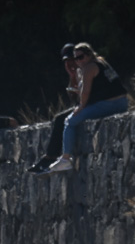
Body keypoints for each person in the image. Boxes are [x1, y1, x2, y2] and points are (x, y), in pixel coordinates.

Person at [48, 42, 128, 173]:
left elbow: (85, 93)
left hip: (109, 104)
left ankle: (66, 158)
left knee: (69, 121)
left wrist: (80, 107)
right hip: (122, 102)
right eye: (76, 59)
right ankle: (65, 158)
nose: (78, 61)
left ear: (89, 54)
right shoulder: (101, 62)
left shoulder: (89, 67)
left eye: (81, 57)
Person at [27, 43, 80, 174]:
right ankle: (50, 157)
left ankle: (51, 157)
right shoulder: (75, 74)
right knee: (59, 118)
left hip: (91, 105)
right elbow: (74, 98)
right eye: (67, 61)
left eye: (72, 60)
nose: (70, 64)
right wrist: (72, 77)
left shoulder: (85, 70)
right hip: (82, 105)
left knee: (60, 119)